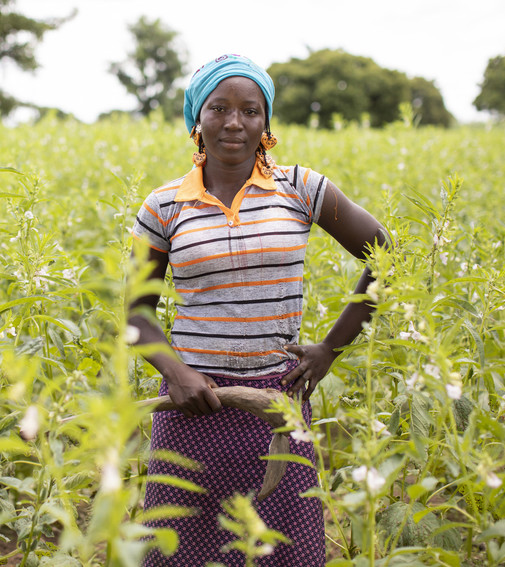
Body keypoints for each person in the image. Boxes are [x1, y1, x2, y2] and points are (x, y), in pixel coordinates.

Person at [130, 54, 390, 566]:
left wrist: (330, 349)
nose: (234, 122)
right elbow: (136, 315)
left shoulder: (301, 188)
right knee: (177, 551)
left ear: (265, 122)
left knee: (285, 551)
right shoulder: (163, 206)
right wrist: (176, 373)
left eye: (250, 110)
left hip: (277, 404)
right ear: (195, 119)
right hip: (191, 407)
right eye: (219, 108)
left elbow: (385, 255)